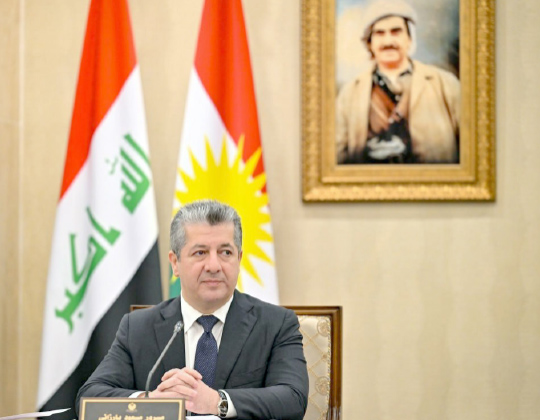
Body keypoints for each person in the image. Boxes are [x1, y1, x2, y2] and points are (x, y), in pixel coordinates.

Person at [77, 200, 309, 420]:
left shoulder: (276, 324)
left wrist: (218, 402)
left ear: (239, 259)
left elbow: (293, 399)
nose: (214, 266)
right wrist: (150, 402)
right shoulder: (138, 327)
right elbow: (89, 398)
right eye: (200, 253)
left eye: (225, 252)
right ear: (175, 263)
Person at [336, 0, 461, 164]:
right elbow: (337, 157)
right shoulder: (349, 93)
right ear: (369, 42)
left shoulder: (445, 84)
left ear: (409, 38)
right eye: (380, 33)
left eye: (396, 32)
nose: (388, 41)